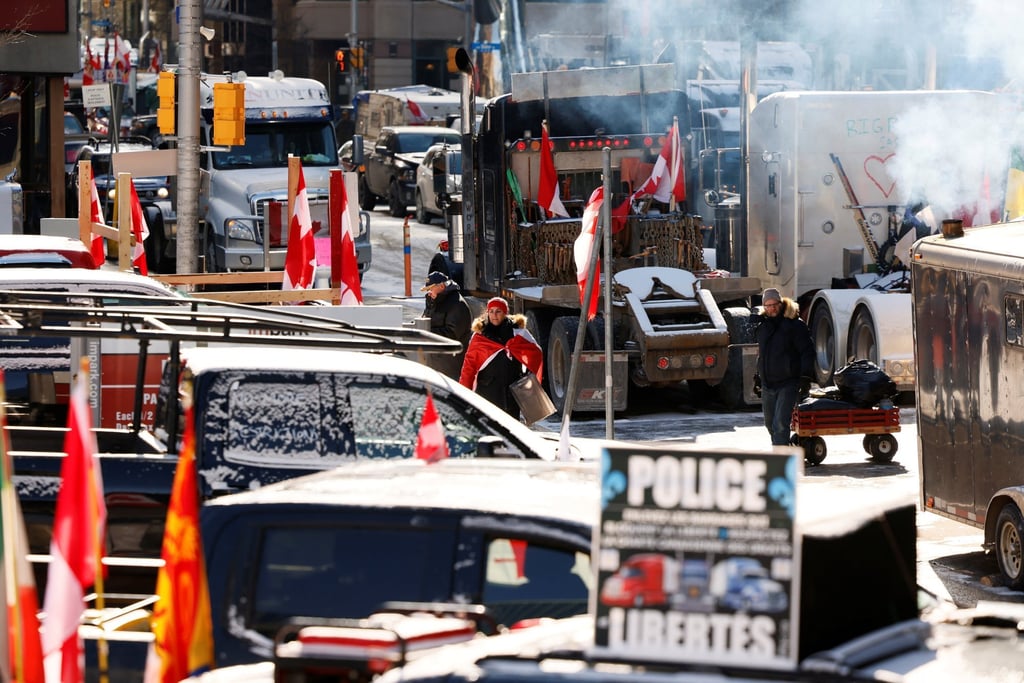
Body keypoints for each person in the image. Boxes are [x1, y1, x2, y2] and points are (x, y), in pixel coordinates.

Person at [459, 297, 543, 419]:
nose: (494, 315)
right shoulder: (480, 336)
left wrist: (528, 378)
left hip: (512, 393)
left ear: (505, 313)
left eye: (498, 311)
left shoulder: (518, 333)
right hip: (488, 392)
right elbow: (469, 367)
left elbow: (535, 352)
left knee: (512, 429)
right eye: (491, 311)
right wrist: (463, 393)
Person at [754, 287, 815, 446]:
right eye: (767, 305)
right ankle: (784, 451)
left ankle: (780, 463)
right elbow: (762, 354)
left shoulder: (795, 326)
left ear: (781, 304)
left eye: (774, 304)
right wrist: (758, 376)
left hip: (788, 383)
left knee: (780, 425)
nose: (771, 308)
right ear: (764, 307)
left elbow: (807, 352)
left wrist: (805, 377)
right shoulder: (763, 328)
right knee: (770, 424)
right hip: (768, 385)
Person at [420, 271, 472, 379]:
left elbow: (452, 334)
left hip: (450, 366)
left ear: (442, 286)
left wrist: (426, 333)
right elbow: (426, 320)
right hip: (437, 362)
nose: (429, 292)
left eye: (431, 288)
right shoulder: (435, 301)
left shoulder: (457, 304)